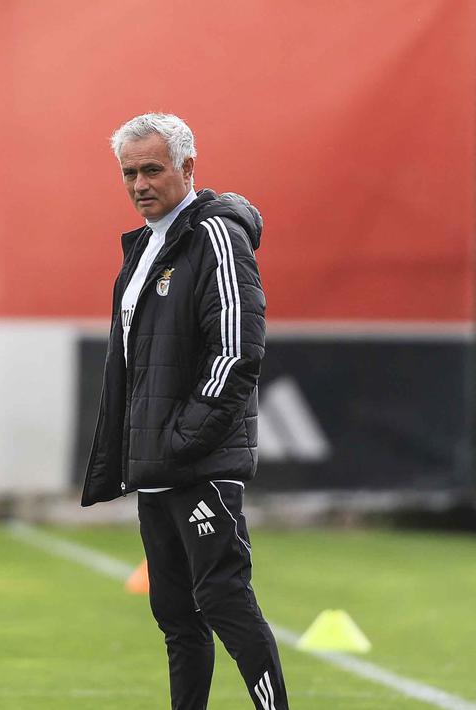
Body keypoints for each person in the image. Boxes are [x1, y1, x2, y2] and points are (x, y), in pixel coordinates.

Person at [80, 113, 290, 710]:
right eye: (129, 173)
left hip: (197, 462)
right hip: (158, 466)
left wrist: (181, 441)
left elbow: (236, 350)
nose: (140, 183)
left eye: (152, 169)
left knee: (224, 599)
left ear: (188, 168)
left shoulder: (216, 236)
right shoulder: (145, 246)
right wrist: (140, 451)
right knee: (175, 616)